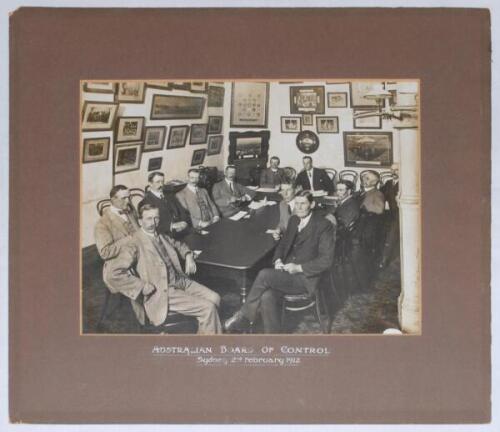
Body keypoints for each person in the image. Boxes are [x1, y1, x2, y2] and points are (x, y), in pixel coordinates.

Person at [224, 190, 335, 334]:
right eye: (297, 204)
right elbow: (282, 245)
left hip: (305, 278)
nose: (299, 207)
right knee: (266, 296)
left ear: (312, 204)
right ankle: (274, 338)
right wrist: (277, 260)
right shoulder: (294, 220)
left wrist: (299, 268)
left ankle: (243, 316)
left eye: (303, 204)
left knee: (264, 274)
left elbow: (327, 260)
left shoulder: (323, 225)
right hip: (286, 274)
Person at [108, 204, 223, 334]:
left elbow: (179, 244)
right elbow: (113, 273)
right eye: (149, 219)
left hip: (180, 281)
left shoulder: (160, 235)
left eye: (156, 218)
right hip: (162, 290)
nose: (154, 223)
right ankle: (209, 345)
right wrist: (141, 286)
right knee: (208, 308)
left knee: (215, 298)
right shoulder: (134, 243)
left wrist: (188, 255)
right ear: (140, 221)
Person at [94, 185, 140, 291]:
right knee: (142, 283)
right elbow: (105, 252)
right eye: (124, 198)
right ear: (113, 200)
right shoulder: (102, 223)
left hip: (140, 252)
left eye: (129, 197)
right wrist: (130, 239)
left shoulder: (130, 212)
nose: (128, 201)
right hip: (122, 260)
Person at [140, 171, 190, 238]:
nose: (161, 185)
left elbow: (182, 211)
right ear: (150, 184)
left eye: (162, 182)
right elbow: (151, 225)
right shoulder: (145, 202)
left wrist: (184, 222)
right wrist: (171, 226)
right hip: (167, 235)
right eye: (158, 182)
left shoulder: (169, 195)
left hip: (184, 229)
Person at [357, 170, 385, 277]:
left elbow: (379, 210)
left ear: (374, 182)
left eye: (367, 178)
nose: (363, 179)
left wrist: (364, 208)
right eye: (363, 177)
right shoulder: (361, 192)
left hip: (368, 226)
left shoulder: (377, 194)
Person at [380, 163, 400, 268]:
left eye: (396, 170)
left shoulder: (405, 184)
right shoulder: (388, 183)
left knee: (391, 234)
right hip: (390, 214)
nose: (393, 172)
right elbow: (379, 194)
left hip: (400, 215)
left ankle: (384, 260)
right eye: (391, 170)